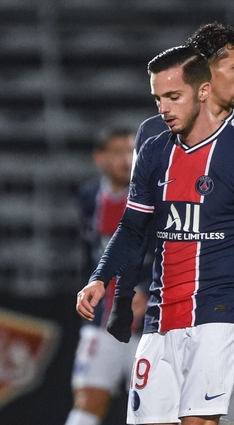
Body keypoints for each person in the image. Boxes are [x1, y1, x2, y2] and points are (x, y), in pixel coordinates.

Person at [76, 45, 234, 425]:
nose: (163, 108)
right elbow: (132, 229)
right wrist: (100, 277)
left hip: (220, 315)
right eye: (158, 98)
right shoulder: (152, 152)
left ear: (202, 92)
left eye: (173, 97)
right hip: (160, 318)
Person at [65, 127, 150, 425]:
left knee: (153, 410)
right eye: (118, 153)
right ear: (100, 158)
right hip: (103, 319)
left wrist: (149, 289)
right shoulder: (90, 196)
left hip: (150, 322)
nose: (127, 160)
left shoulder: (154, 196)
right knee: (88, 401)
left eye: (131, 152)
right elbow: (90, 252)